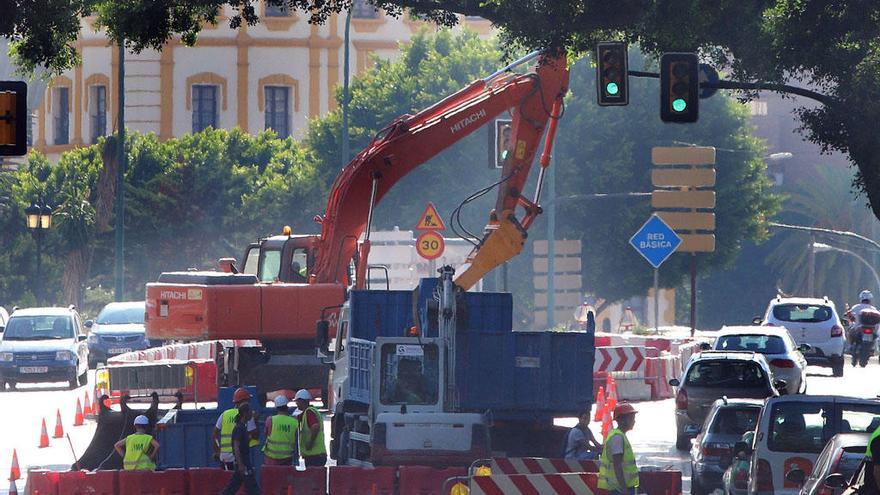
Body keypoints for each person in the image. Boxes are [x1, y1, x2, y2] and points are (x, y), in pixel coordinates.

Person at [213, 387, 259, 470]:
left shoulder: (225, 414)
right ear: (244, 401)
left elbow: (214, 435)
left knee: (227, 480)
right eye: (248, 400)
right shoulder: (248, 414)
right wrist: (256, 421)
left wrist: (217, 452)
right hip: (240, 457)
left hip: (225, 458)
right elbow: (255, 435)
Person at [599, 402, 639, 495]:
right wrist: (624, 489)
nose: (634, 421)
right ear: (622, 420)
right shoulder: (617, 437)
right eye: (631, 418)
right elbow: (617, 465)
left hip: (623, 487)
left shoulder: (620, 436)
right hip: (619, 489)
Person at [221, 403, 261, 495]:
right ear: (245, 413)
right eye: (250, 411)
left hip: (243, 464)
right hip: (244, 464)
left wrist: (255, 421)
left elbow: (254, 436)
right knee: (253, 488)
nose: (251, 413)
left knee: (232, 487)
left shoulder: (243, 427)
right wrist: (241, 465)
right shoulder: (239, 428)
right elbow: (236, 447)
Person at [262, 395, 299, 466]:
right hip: (287, 458)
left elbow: (265, 433)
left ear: (276, 408)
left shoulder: (270, 420)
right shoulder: (294, 421)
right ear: (287, 407)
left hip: (271, 458)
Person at [294, 389, 327, 467]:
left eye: (297, 401)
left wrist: (310, 442)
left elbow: (315, 427)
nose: (296, 404)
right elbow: (296, 419)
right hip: (316, 455)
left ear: (302, 401)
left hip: (315, 456)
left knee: (313, 478)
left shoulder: (309, 412)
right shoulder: (310, 411)